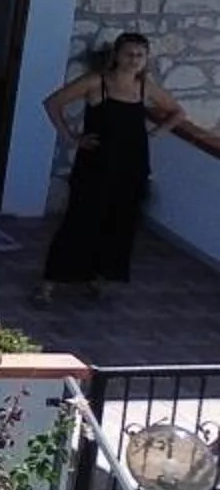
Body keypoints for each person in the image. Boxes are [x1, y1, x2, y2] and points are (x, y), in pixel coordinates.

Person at [34, 32, 192, 305]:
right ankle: (50, 284)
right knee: (79, 219)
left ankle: (100, 278)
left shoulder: (145, 87)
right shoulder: (97, 82)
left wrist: (154, 134)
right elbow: (53, 103)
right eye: (129, 54)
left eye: (140, 55)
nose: (134, 60)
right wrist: (72, 137)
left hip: (132, 164)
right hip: (96, 163)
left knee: (121, 222)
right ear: (117, 55)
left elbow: (177, 112)